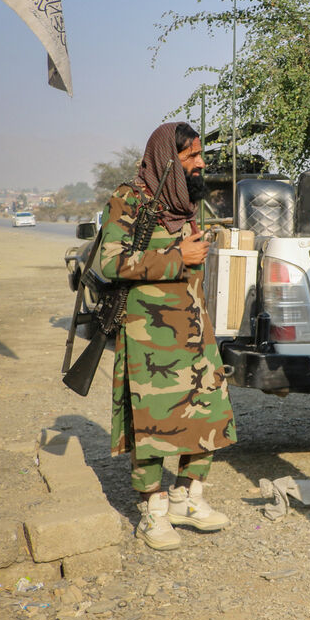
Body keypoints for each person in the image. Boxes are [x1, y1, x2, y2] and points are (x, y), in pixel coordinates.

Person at [98, 121, 235, 551]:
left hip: (194, 326)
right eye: (191, 157)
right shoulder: (129, 199)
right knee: (152, 423)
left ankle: (187, 498)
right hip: (148, 334)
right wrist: (178, 256)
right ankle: (153, 512)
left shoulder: (183, 203)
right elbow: (109, 263)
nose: (200, 163)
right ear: (166, 159)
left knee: (210, 411)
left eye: (199, 155)